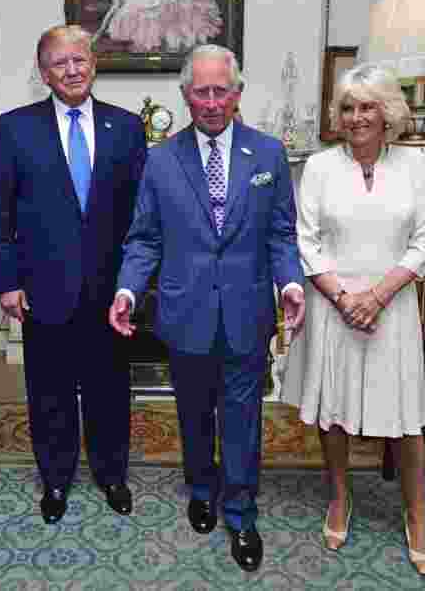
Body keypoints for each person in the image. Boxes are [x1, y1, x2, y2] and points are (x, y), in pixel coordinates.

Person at [110, 44, 305, 572]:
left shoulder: (267, 155)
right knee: (194, 412)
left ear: (237, 93)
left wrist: (291, 284)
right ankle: (201, 487)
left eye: (222, 90)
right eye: (202, 91)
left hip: (246, 311)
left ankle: (240, 512)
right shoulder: (160, 158)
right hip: (184, 311)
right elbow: (144, 238)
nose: (212, 102)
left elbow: (282, 232)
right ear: (186, 95)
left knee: (242, 416)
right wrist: (127, 291)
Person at [0, 24, 147, 524]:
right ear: (44, 73)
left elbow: (143, 215)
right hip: (43, 288)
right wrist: (7, 281)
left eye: (80, 59)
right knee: (49, 391)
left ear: (93, 63)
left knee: (109, 388)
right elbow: (0, 213)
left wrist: (134, 284)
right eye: (61, 62)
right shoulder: (15, 128)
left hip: (108, 289)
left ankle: (111, 473)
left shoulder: (127, 127)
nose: (73, 69)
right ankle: (55, 479)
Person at [281, 62, 425, 576]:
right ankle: (338, 498)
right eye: (347, 107)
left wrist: (378, 294)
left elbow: (424, 240)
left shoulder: (413, 165)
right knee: (335, 411)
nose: (356, 116)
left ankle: (416, 515)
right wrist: (346, 299)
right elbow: (306, 240)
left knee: (406, 419)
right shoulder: (320, 167)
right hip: (334, 307)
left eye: (367, 106)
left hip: (391, 309)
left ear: (388, 111)